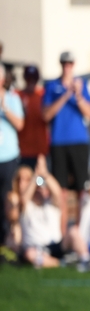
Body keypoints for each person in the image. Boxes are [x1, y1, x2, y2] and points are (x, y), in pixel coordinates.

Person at [43, 51, 90, 235]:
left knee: (81, 190)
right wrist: (66, 94)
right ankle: (63, 235)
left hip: (79, 141)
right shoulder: (52, 86)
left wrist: (78, 95)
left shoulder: (83, 85)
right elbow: (46, 115)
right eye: (64, 63)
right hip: (59, 142)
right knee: (61, 192)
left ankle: (80, 233)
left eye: (70, 63)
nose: (67, 66)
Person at [20, 156, 90, 272]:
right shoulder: (27, 207)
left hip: (56, 245)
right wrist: (35, 177)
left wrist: (45, 174)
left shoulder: (52, 204)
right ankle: (63, 263)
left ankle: (86, 260)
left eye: (43, 187)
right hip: (36, 248)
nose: (40, 189)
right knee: (30, 255)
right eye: (38, 187)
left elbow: (57, 191)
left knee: (74, 231)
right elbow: (24, 199)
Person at [0, 64, 24, 247]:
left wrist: (5, 108)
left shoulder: (12, 98)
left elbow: (20, 124)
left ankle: (9, 241)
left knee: (9, 200)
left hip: (8, 157)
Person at [17, 65, 48, 170]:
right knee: (24, 182)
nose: (31, 82)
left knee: (40, 182)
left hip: (41, 150)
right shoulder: (17, 96)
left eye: (34, 79)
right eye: (28, 79)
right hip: (23, 150)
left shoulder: (43, 95)